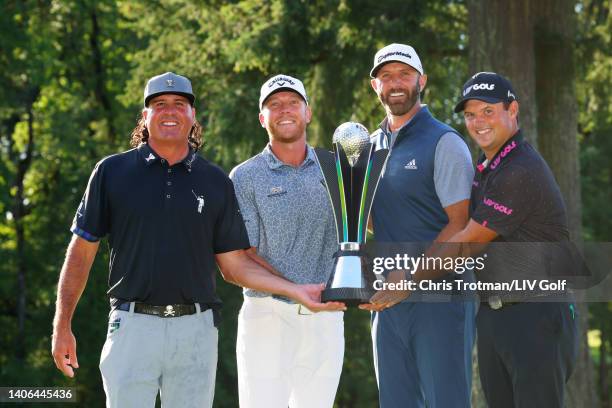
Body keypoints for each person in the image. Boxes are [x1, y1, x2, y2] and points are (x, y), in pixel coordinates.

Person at [51, 72, 337, 408]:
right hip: (131, 326)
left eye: (179, 104)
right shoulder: (111, 172)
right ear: (145, 116)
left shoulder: (215, 181)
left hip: (197, 330)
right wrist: (62, 323)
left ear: (192, 116)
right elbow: (81, 251)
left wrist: (295, 290)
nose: (170, 111)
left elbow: (234, 265)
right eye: (159, 105)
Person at [359, 44, 477, 408]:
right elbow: (375, 222)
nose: (396, 83)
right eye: (386, 76)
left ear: (421, 81)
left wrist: (410, 277)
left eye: (404, 75)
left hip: (440, 298)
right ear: (375, 85)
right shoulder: (368, 147)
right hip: (389, 301)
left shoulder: (445, 142)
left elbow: (461, 227)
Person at [229, 74, 346, 408]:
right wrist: (296, 290)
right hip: (266, 315)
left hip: (326, 314)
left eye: (293, 102)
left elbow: (362, 228)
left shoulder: (337, 168)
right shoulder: (244, 176)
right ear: (262, 118)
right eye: (274, 104)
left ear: (307, 112)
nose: (285, 110)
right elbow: (245, 253)